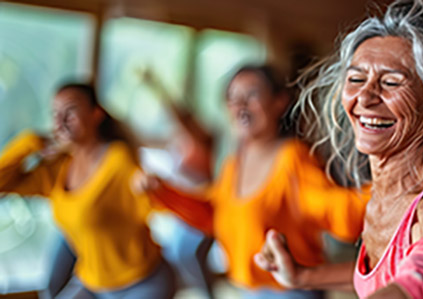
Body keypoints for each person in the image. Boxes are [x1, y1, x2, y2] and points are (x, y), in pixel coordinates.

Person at [253, 1, 423, 298]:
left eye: (391, 82)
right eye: (356, 79)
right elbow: (391, 274)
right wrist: (303, 276)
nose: (365, 97)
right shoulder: (382, 195)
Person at [134, 65, 369, 298]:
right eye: (232, 98)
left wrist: (384, 190)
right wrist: (163, 193)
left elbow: (337, 210)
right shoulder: (234, 162)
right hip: (249, 290)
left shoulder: (292, 159)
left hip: (290, 292)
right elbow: (214, 215)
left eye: (252, 95)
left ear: (279, 102)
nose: (240, 106)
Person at [0, 83, 175, 298]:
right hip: (92, 284)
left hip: (141, 283)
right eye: (55, 113)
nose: (60, 121)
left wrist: (145, 185)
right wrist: (31, 142)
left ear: (96, 114)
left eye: (71, 111)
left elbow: (142, 190)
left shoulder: (117, 159)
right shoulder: (58, 168)